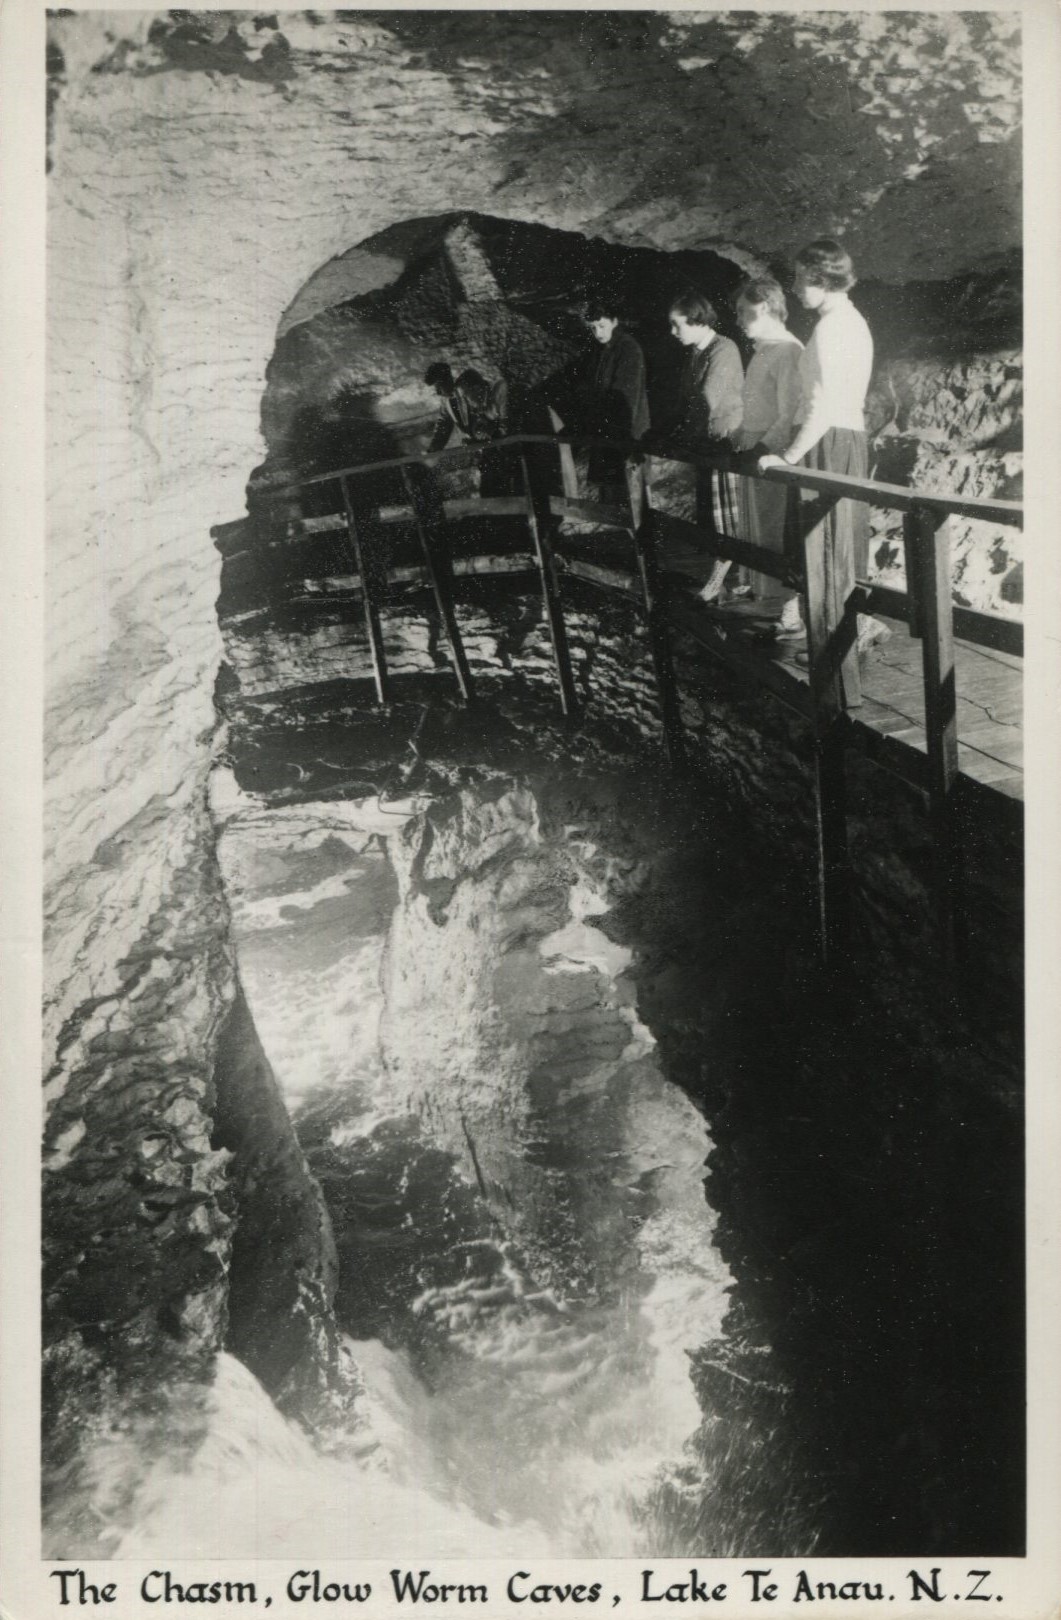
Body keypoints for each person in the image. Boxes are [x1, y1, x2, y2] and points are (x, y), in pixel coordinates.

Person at [756, 239, 888, 656]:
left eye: (798, 278)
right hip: (835, 438)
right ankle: (827, 627)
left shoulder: (835, 328)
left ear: (819, 278)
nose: (794, 288)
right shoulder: (843, 320)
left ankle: (852, 629)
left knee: (828, 537)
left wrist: (790, 457)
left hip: (829, 441)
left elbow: (822, 404)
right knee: (824, 536)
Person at [731, 276, 804, 630]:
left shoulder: (788, 351)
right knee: (760, 530)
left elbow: (788, 411)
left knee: (780, 531)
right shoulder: (763, 350)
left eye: (745, 311)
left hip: (772, 452)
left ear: (766, 307)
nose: (740, 318)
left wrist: (764, 447)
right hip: (753, 446)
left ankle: (792, 609)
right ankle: (774, 603)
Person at [668, 289, 744, 602]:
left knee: (726, 516)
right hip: (706, 446)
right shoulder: (697, 353)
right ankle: (729, 576)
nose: (673, 332)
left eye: (678, 325)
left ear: (698, 321)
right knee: (713, 516)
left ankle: (719, 579)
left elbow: (707, 400)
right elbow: (686, 400)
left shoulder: (723, 350)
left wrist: (683, 436)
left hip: (725, 443)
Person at [581, 297, 650, 501]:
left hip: (624, 433)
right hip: (608, 434)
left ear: (615, 321)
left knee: (630, 496)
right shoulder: (602, 350)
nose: (598, 333)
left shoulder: (628, 349)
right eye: (592, 328)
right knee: (611, 498)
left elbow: (626, 398)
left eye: (602, 326)